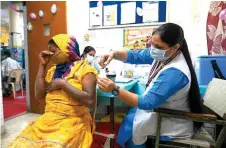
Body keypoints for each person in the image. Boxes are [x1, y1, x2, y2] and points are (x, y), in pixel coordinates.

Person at [97, 23, 202, 148]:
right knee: (132, 115)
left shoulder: (175, 72)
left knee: (133, 125)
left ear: (175, 47)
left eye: (158, 46)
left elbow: (147, 102)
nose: (153, 49)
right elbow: (136, 56)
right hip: (160, 111)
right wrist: (114, 54)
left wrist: (115, 89)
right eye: (152, 43)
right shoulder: (166, 54)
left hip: (172, 120)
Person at [9, 34, 98, 148]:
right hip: (50, 119)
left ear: (68, 51)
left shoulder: (85, 70)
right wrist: (42, 65)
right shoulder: (52, 71)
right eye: (48, 51)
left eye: (53, 51)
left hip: (73, 120)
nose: (49, 54)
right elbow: (39, 95)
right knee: (20, 144)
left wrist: (63, 84)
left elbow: (90, 101)